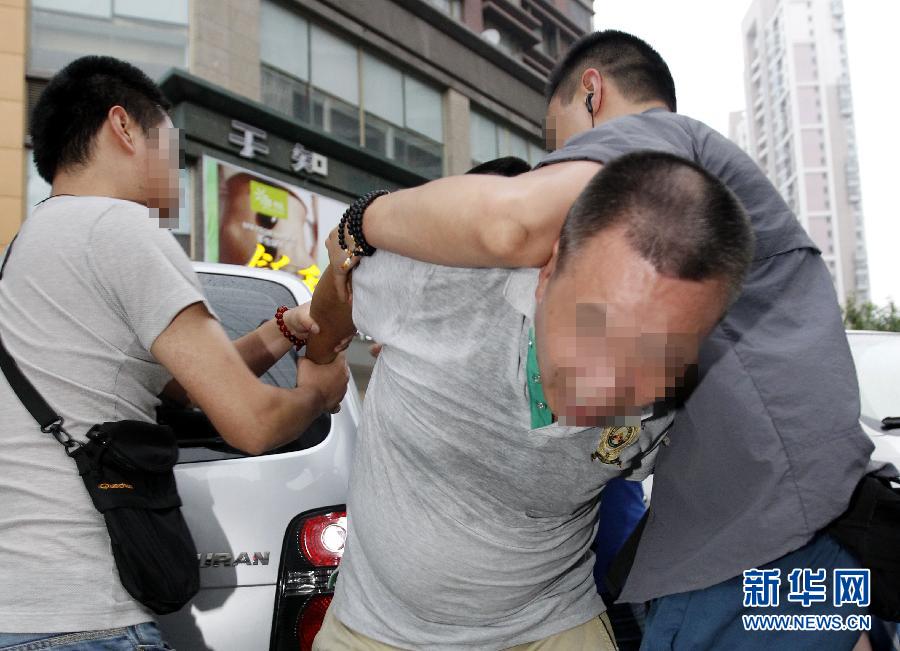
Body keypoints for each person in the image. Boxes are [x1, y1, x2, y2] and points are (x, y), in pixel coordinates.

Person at [324, 30, 874, 649]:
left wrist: (361, 219)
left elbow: (510, 223)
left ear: (592, 92)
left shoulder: (663, 149)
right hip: (793, 531)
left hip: (752, 556)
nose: (557, 166)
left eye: (558, 142)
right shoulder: (462, 296)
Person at [304, 150, 753, 649]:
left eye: (658, 355)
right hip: (374, 628)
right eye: (596, 325)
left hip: (551, 622)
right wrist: (320, 362)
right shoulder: (447, 287)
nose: (609, 381)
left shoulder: (687, 403)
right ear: (547, 273)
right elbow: (337, 300)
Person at [0, 56, 349, 649]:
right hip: (88, 618)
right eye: (170, 143)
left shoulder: (30, 248)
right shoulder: (119, 227)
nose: (176, 165)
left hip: (24, 609)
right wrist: (319, 391)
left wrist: (284, 332)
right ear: (124, 127)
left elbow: (182, 386)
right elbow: (253, 424)